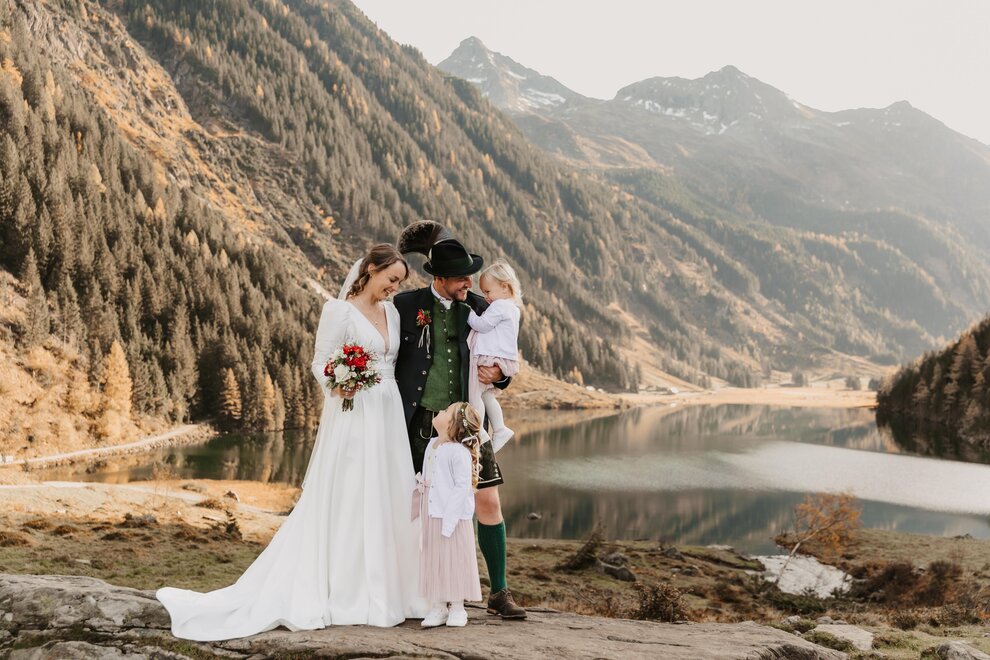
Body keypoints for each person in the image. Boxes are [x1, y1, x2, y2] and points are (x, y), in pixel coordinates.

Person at [156, 244, 427, 641]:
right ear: (371, 269)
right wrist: (339, 384)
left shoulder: (393, 312)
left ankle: (393, 590)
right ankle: (349, 591)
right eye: (391, 279)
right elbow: (320, 362)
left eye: (400, 282)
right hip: (355, 412)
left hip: (387, 413)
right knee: (353, 492)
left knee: (389, 493)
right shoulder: (339, 311)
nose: (394, 288)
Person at [394, 221, 527, 620]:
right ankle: (419, 593)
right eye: (460, 278)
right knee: (417, 506)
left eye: (471, 276)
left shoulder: (484, 307)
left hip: (470, 423)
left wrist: (500, 375)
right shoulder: (406, 306)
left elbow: (506, 351)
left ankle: (499, 591)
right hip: (421, 423)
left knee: (488, 500)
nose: (469, 282)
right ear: (439, 278)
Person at [414, 402, 484, 628]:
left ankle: (458, 607)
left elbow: (462, 487)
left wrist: (450, 521)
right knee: (434, 559)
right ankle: (438, 607)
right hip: (432, 512)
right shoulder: (432, 444)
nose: (440, 411)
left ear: (454, 424)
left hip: (452, 517)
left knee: (454, 561)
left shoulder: (458, 452)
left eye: (446, 411)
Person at [467, 260, 522, 453]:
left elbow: (481, 325)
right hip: (501, 359)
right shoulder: (513, 309)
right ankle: (499, 429)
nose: (486, 297)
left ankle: (480, 433)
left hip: (487, 358)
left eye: (488, 291)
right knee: (487, 395)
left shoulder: (499, 306)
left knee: (474, 395)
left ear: (504, 286)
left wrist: (468, 313)